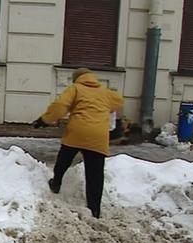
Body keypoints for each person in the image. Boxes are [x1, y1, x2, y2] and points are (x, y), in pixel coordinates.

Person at [32, 68, 124, 218]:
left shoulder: (75, 88)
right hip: (98, 136)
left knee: (64, 159)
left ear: (77, 78)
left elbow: (60, 105)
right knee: (95, 174)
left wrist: (44, 120)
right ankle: (94, 210)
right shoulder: (105, 92)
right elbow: (119, 102)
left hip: (78, 132)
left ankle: (56, 183)